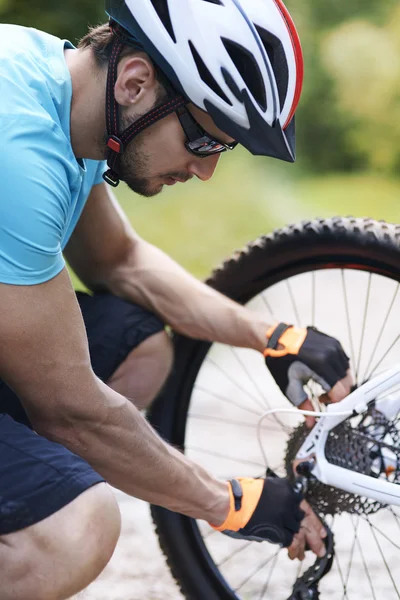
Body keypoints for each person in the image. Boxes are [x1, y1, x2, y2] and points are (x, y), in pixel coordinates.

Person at [0, 1, 352, 598]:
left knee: (138, 341)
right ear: (136, 82)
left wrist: (271, 337)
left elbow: (120, 263)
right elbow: (74, 410)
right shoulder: (18, 154)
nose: (207, 170)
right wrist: (228, 502)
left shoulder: (56, 87)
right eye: (204, 140)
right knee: (71, 531)